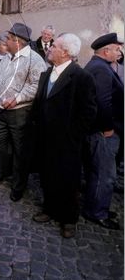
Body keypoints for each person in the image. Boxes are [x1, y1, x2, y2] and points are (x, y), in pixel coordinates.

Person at [32, 33, 97, 239]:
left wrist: (73, 136)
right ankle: (49, 209)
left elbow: (88, 112)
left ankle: (68, 219)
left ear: (65, 52)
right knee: (47, 175)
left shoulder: (81, 77)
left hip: (68, 142)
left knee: (68, 181)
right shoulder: (46, 73)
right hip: (45, 138)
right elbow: (40, 104)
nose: (49, 48)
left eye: (54, 46)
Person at [0, 22, 46, 202]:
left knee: (21, 151)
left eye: (9, 39)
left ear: (18, 41)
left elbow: (36, 86)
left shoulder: (35, 61)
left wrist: (18, 99)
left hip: (19, 112)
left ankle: (19, 184)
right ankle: (5, 171)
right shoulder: (7, 57)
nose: (6, 42)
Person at [82, 33, 124, 230]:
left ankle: (96, 206)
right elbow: (102, 103)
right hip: (103, 132)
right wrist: (107, 128)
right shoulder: (101, 69)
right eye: (117, 49)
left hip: (99, 130)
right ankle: (97, 212)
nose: (120, 52)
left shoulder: (99, 66)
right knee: (104, 174)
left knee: (97, 171)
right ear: (106, 51)